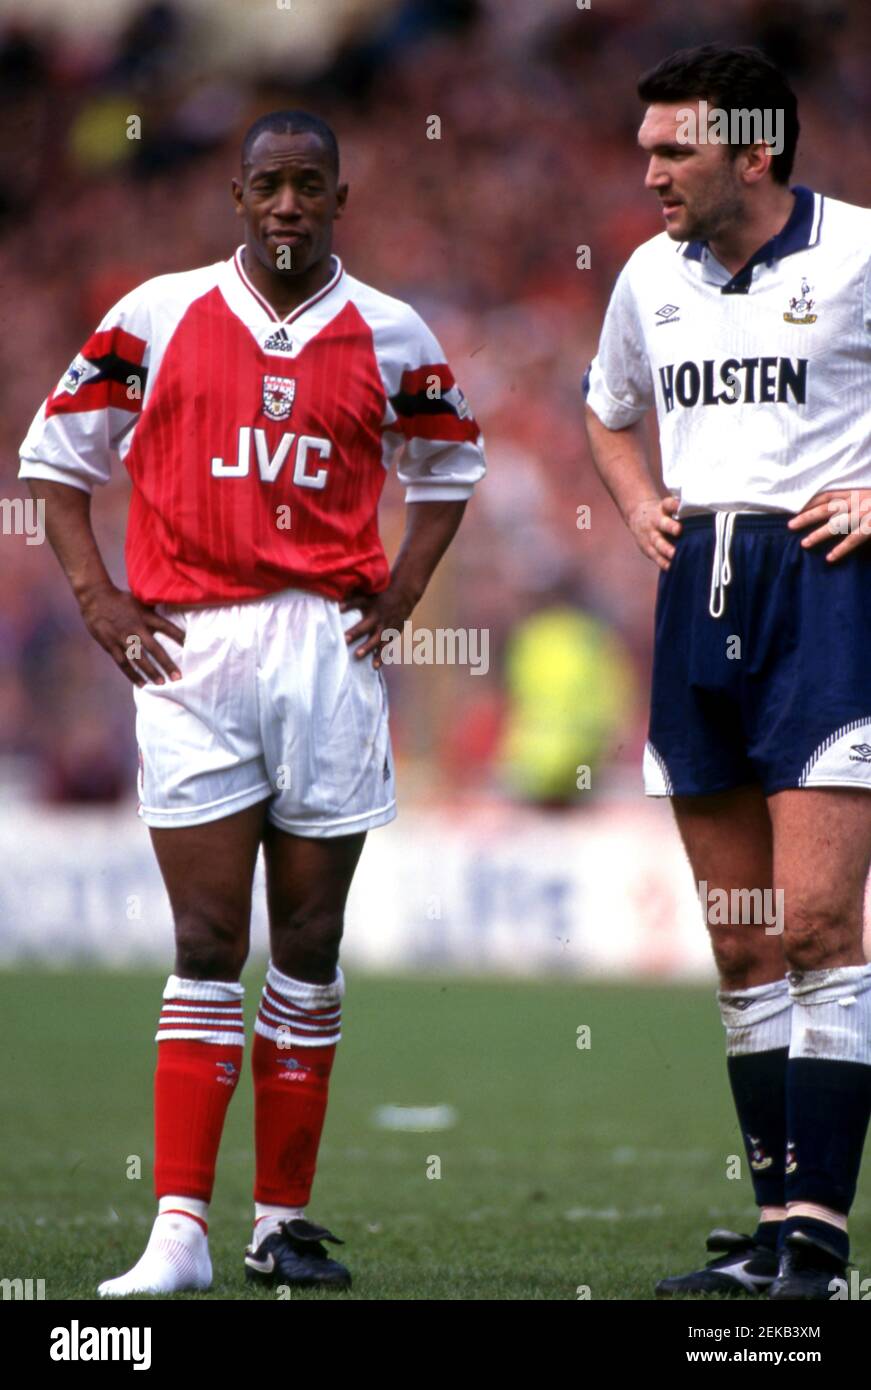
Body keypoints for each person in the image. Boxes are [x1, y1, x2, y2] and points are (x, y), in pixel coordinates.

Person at [20, 109, 485, 1296]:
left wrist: (406, 588)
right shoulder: (156, 314)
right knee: (207, 939)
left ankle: (281, 1222)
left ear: (341, 199)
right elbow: (56, 466)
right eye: (268, 184)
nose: (288, 204)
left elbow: (448, 468)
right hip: (194, 647)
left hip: (328, 649)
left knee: (313, 941)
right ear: (236, 197)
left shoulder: (391, 330)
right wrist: (98, 600)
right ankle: (180, 1230)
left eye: (309, 186)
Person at [584, 44, 871, 1300]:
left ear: (753, 152)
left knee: (815, 922)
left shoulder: (858, 251)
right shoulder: (649, 275)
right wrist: (640, 496)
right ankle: (769, 1232)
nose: (647, 171)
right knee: (745, 943)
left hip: (823, 596)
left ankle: (816, 1235)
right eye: (645, 147)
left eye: (671, 150)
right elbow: (604, 407)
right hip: (698, 595)